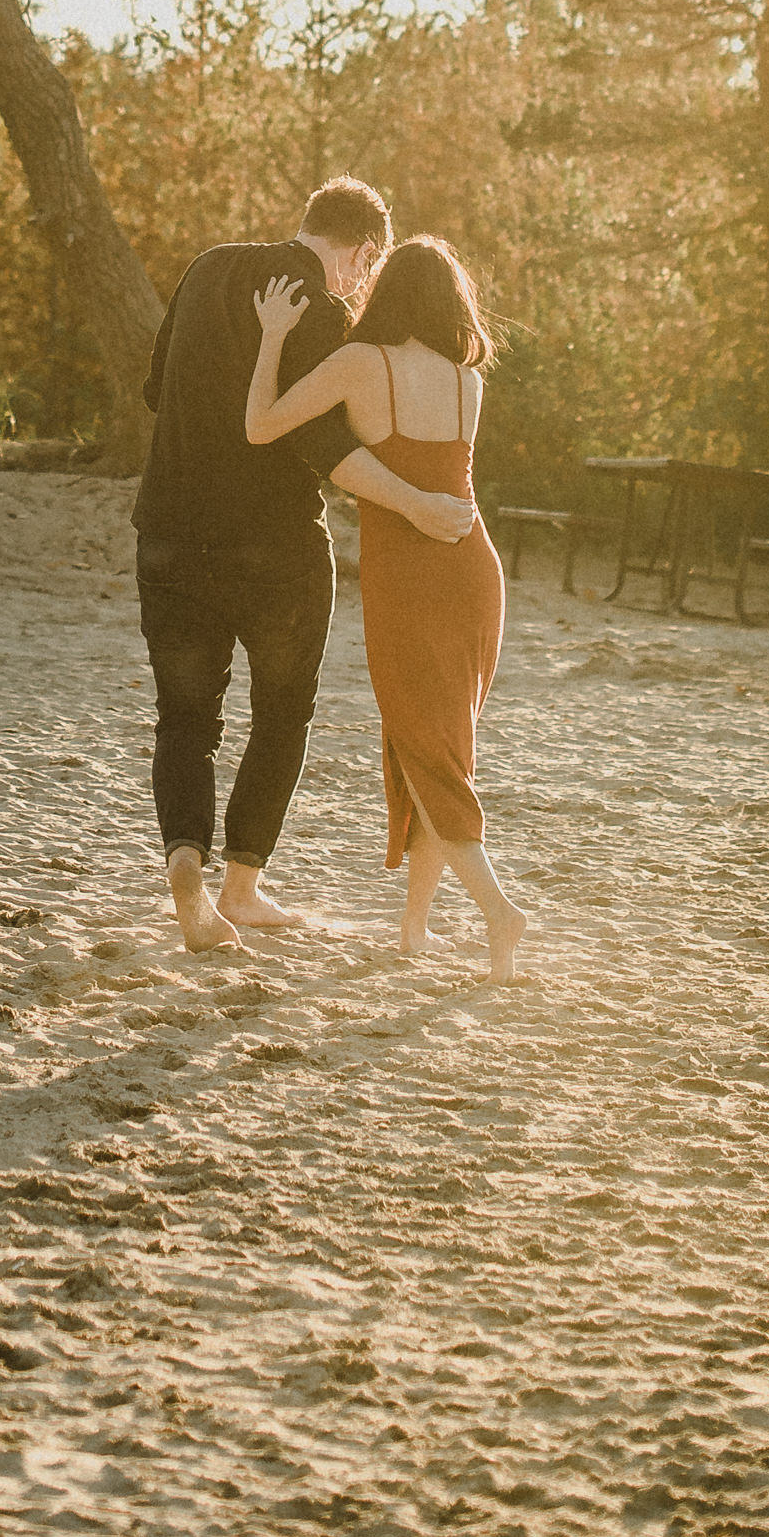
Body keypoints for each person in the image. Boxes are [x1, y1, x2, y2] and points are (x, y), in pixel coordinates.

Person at [133, 180, 479, 956]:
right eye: (368, 266)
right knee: (282, 713)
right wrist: (418, 504)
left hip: (168, 533)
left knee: (185, 719)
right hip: (274, 550)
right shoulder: (321, 316)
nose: (362, 282)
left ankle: (185, 868)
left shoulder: (206, 265)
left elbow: (157, 389)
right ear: (361, 248)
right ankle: (243, 886)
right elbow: (325, 448)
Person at [245, 232, 526, 982]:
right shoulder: (470, 380)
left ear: (387, 293)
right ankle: (413, 930)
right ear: (451, 302)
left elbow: (262, 423)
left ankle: (501, 913)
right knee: (438, 745)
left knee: (424, 745)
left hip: (409, 575)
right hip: (474, 569)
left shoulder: (360, 363)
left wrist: (272, 337)